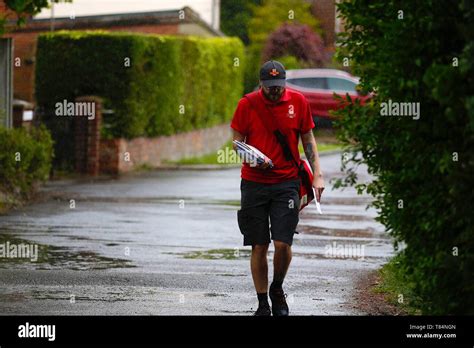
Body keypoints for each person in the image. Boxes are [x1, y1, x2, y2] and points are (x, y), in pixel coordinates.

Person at [231, 60, 325, 316]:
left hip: (287, 183)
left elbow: (307, 138)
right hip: (254, 183)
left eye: (279, 86)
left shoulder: (299, 102)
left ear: (284, 82)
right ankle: (262, 304)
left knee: (283, 243)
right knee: (259, 245)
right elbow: (237, 143)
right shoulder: (247, 104)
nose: (275, 91)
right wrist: (254, 158)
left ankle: (277, 287)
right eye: (270, 87)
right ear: (261, 83)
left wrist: (317, 175)